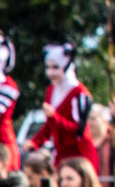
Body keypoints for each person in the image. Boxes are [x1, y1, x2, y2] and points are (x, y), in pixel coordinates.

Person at [25, 40, 95, 168]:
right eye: (48, 67)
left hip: (79, 154)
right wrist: (35, 142)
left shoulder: (79, 92)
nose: (50, 73)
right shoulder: (51, 90)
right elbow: (50, 126)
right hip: (60, 154)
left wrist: (54, 116)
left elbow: (78, 129)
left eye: (55, 67)